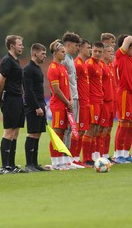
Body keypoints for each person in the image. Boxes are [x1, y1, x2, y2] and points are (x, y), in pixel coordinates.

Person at [0, 35, 27, 174]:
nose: (22, 46)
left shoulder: (16, 61)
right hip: (10, 99)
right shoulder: (7, 61)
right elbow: (0, 81)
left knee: (15, 132)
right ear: (12, 46)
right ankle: (4, 166)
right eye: (20, 44)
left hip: (18, 99)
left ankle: (12, 165)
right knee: (8, 132)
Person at [113, 35, 132, 164]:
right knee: (123, 124)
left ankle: (126, 153)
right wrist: (131, 40)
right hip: (124, 93)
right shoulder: (121, 56)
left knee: (131, 125)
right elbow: (127, 39)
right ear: (128, 48)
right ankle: (118, 154)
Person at [46, 40, 73, 170]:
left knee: (62, 133)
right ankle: (55, 162)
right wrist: (67, 101)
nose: (64, 54)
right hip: (58, 105)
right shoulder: (53, 68)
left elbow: (66, 87)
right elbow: (56, 90)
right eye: (62, 52)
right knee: (57, 133)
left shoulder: (63, 67)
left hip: (65, 105)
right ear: (55, 53)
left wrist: (70, 101)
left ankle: (61, 161)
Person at [23, 43, 48, 172]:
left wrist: (43, 105)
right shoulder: (28, 69)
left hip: (40, 104)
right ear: (34, 54)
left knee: (38, 134)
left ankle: (35, 163)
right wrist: (37, 107)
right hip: (33, 106)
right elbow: (28, 90)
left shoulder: (38, 68)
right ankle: (28, 164)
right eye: (42, 53)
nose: (44, 56)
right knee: (32, 133)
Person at [61, 32, 82, 168]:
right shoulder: (64, 60)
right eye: (75, 45)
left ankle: (67, 159)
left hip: (74, 97)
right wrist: (67, 99)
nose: (77, 48)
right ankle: (62, 160)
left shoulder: (70, 59)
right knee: (66, 129)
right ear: (68, 45)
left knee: (70, 129)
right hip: (68, 98)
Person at [83, 41, 104, 166]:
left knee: (96, 129)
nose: (97, 53)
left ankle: (92, 157)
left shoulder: (99, 64)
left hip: (99, 100)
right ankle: (86, 158)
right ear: (92, 50)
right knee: (90, 129)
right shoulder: (89, 64)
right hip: (92, 101)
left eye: (99, 52)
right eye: (95, 51)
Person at [73, 39, 91, 167]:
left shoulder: (83, 64)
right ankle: (74, 158)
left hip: (85, 101)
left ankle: (78, 159)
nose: (89, 50)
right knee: (77, 131)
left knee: (82, 131)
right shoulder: (77, 64)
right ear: (80, 49)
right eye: (88, 47)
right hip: (79, 102)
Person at [98, 44, 115, 162]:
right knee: (100, 130)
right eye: (109, 52)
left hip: (110, 101)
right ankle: (98, 156)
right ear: (103, 53)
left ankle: (104, 155)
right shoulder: (101, 66)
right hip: (103, 101)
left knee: (107, 129)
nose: (111, 54)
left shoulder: (108, 66)